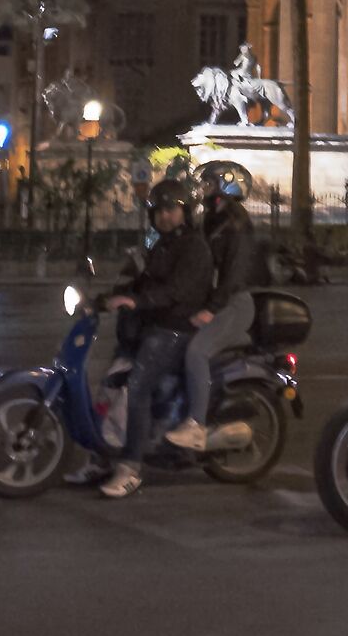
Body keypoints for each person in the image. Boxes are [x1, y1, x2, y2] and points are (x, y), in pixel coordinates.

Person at [98, 178, 213, 499]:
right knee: (113, 380)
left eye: (171, 209)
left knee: (138, 386)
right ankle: (103, 454)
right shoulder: (159, 244)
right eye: (159, 211)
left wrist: (139, 302)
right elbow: (143, 281)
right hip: (153, 324)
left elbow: (177, 291)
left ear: (184, 212)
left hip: (175, 328)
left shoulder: (194, 246)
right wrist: (108, 298)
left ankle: (131, 467)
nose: (164, 216)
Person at [168, 162, 268, 452]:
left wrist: (211, 309)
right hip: (217, 300)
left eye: (209, 184)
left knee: (197, 351)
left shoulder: (236, 225)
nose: (204, 189)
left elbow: (233, 276)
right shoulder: (212, 221)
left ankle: (196, 426)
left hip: (232, 304)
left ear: (227, 186)